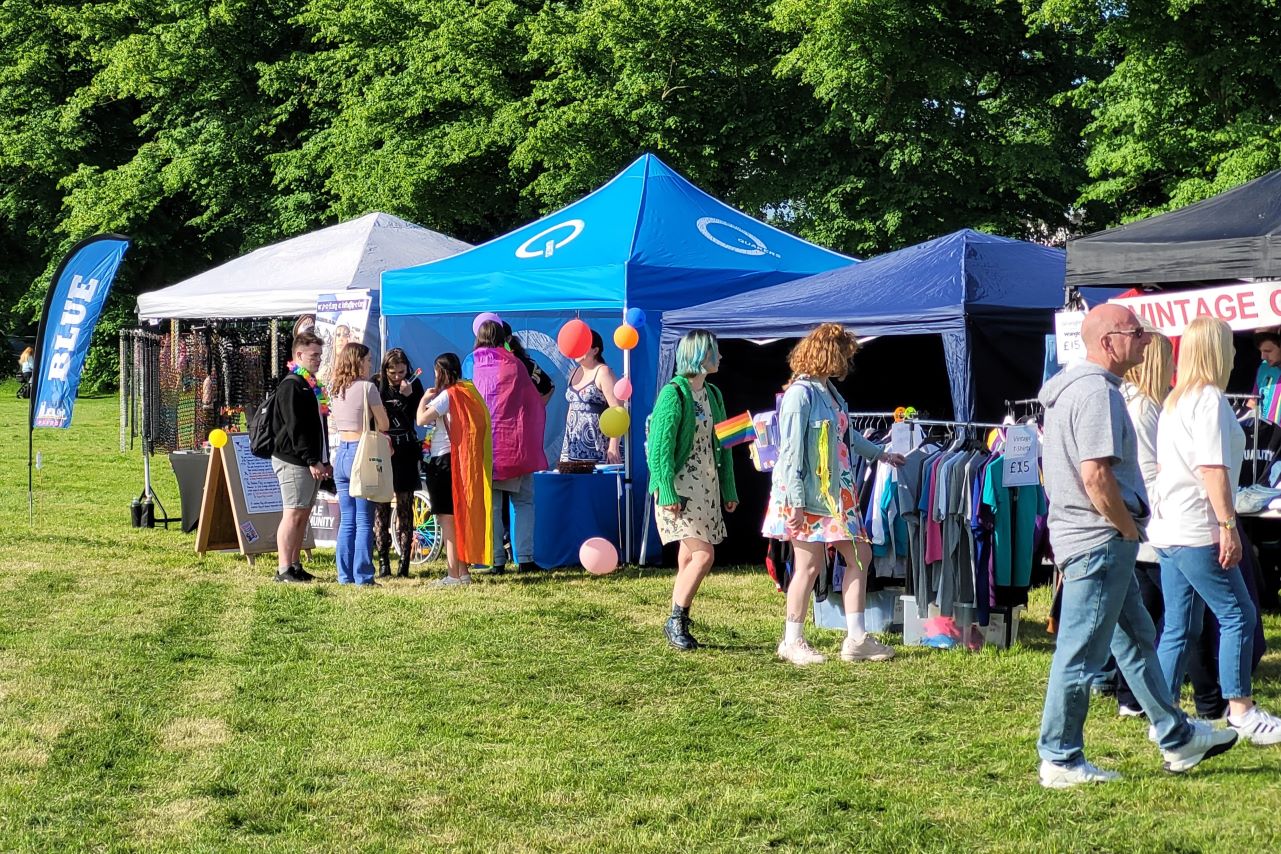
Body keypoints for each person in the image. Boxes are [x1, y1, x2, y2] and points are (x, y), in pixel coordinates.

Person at [1036, 304, 1236, 790]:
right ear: (1108, 341)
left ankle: (1177, 736)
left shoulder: (1073, 392)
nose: (1146, 342)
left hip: (1091, 540)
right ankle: (1060, 758)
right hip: (1099, 542)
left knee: (1138, 644)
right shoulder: (1095, 394)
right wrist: (1127, 528)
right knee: (1081, 654)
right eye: (1137, 333)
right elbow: (1096, 476)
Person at [1148, 316, 1281, 745]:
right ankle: (1241, 711)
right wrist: (1227, 525)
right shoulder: (1207, 400)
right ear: (1217, 351)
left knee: (1180, 626)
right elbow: (1212, 470)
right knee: (1237, 614)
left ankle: (1163, 713)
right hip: (1197, 527)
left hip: (1170, 528)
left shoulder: (1175, 399)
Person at [761, 323, 903, 666]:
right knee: (808, 566)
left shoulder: (829, 392)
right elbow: (791, 451)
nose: (847, 362)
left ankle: (856, 638)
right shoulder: (800, 395)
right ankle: (792, 640)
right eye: (844, 354)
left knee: (859, 556)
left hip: (836, 494)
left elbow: (846, 435)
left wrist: (879, 454)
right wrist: (795, 501)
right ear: (829, 353)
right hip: (808, 494)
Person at [647, 329, 737, 650]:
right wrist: (667, 491)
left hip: (707, 487)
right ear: (700, 355)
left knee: (689, 558)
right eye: (715, 351)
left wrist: (729, 489)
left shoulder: (713, 394)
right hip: (680, 488)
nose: (721, 357)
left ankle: (678, 619)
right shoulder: (674, 393)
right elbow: (659, 448)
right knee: (703, 555)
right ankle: (676, 620)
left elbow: (724, 444)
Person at [1114, 331, 1178, 717]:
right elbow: (1147, 470)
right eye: (1169, 360)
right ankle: (1131, 695)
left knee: (1142, 611)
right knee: (1146, 611)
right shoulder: (1144, 408)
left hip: (1147, 519)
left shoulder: (1144, 404)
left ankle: (1128, 691)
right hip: (1150, 519)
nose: (1174, 367)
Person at [471, 320, 547, 573]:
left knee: (492, 506)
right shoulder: (515, 364)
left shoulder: (472, 364)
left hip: (486, 445)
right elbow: (533, 398)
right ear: (505, 336)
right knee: (524, 501)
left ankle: (496, 561)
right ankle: (524, 558)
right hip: (515, 444)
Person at [418, 353, 494, 587]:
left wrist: (423, 399)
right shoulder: (468, 390)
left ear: (441, 372)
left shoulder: (447, 396)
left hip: (443, 461)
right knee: (456, 519)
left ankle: (453, 573)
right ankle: (462, 573)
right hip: (458, 461)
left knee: (447, 520)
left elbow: (421, 419)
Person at [271, 332, 332, 584]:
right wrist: (311, 459)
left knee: (303, 513)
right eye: (313, 355)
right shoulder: (292, 385)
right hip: (294, 459)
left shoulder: (310, 385)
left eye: (320, 354)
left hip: (310, 459)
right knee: (293, 513)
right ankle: (284, 568)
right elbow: (296, 428)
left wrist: (323, 458)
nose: (318, 359)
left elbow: (318, 426)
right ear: (298, 355)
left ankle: (295, 564)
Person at [328, 343, 389, 586]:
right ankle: (363, 575)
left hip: (341, 452)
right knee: (365, 518)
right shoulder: (368, 388)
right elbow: (383, 423)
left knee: (347, 518)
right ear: (358, 361)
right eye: (367, 359)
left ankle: (345, 575)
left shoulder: (335, 388)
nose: (370, 363)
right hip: (362, 453)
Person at [373, 348, 425, 578]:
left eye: (401, 372)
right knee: (381, 507)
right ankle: (383, 562)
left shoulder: (414, 384)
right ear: (384, 370)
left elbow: (418, 417)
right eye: (392, 372)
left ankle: (404, 564)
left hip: (405, 448)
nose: (397, 377)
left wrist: (409, 395)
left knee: (405, 506)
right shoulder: (376, 384)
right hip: (383, 450)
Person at [560, 329, 622, 465]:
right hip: (573, 445)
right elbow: (571, 408)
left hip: (597, 444)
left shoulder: (603, 372)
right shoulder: (574, 372)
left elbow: (617, 410)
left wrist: (613, 445)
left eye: (583, 346)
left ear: (595, 350)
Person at [1252, 330, 1281, 422]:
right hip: (1263, 431)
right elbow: (1253, 400)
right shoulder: (1263, 367)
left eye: (1268, 351)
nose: (1263, 356)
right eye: (1261, 351)